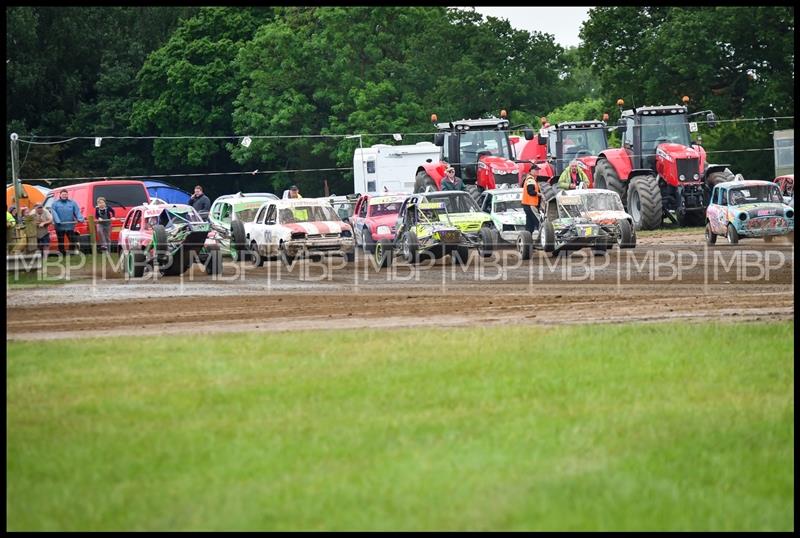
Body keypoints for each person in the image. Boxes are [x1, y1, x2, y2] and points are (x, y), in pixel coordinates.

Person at [51, 189, 85, 255]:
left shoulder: (72, 203)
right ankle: (62, 252)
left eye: (66, 194)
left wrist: (80, 218)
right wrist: (57, 221)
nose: (64, 196)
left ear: (67, 195)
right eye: (63, 194)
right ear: (60, 195)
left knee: (72, 239)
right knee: (61, 240)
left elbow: (77, 211)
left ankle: (71, 252)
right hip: (59, 226)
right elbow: (54, 212)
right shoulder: (55, 204)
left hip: (70, 225)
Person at [521, 166, 541, 234]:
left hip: (527, 204)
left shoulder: (530, 179)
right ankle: (544, 236)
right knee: (538, 222)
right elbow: (530, 192)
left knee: (530, 223)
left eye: (538, 170)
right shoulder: (531, 180)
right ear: (531, 171)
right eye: (536, 170)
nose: (537, 171)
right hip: (530, 204)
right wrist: (539, 194)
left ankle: (527, 237)